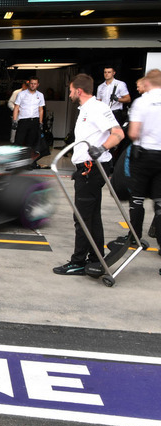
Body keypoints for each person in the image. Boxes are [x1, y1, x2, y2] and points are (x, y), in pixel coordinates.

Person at [53, 74, 124, 276]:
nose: (69, 94)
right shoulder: (87, 108)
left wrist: (101, 149)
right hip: (86, 168)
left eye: (70, 90)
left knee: (82, 217)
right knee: (91, 216)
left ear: (79, 91)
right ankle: (95, 257)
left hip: (92, 167)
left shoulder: (96, 108)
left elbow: (118, 134)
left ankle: (78, 262)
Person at [124, 68, 161, 254]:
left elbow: (133, 132)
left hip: (144, 154)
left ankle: (135, 237)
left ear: (147, 83)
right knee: (160, 204)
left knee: (137, 199)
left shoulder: (142, 101)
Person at [12, 76, 45, 168]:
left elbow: (41, 109)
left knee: (31, 144)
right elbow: (16, 107)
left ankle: (27, 164)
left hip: (34, 121)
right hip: (23, 121)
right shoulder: (21, 94)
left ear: (38, 85)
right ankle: (15, 163)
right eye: (31, 83)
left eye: (35, 84)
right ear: (28, 84)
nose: (33, 85)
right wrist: (14, 120)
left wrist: (41, 122)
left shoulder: (40, 95)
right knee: (18, 142)